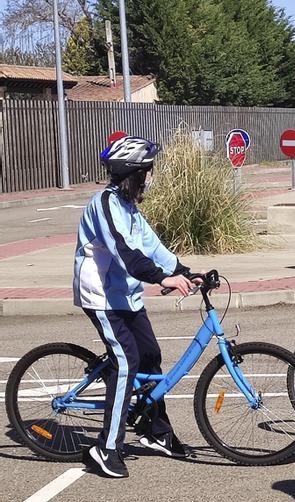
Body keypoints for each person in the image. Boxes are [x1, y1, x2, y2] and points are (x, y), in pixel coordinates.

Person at [72, 136, 198, 478]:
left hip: (126, 296)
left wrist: (184, 272)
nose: (151, 178)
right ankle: (106, 447)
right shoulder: (104, 204)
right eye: (148, 171)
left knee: (150, 356)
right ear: (134, 173)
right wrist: (161, 279)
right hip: (100, 296)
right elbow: (125, 253)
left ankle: (155, 433)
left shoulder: (130, 208)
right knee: (126, 361)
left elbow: (152, 247)